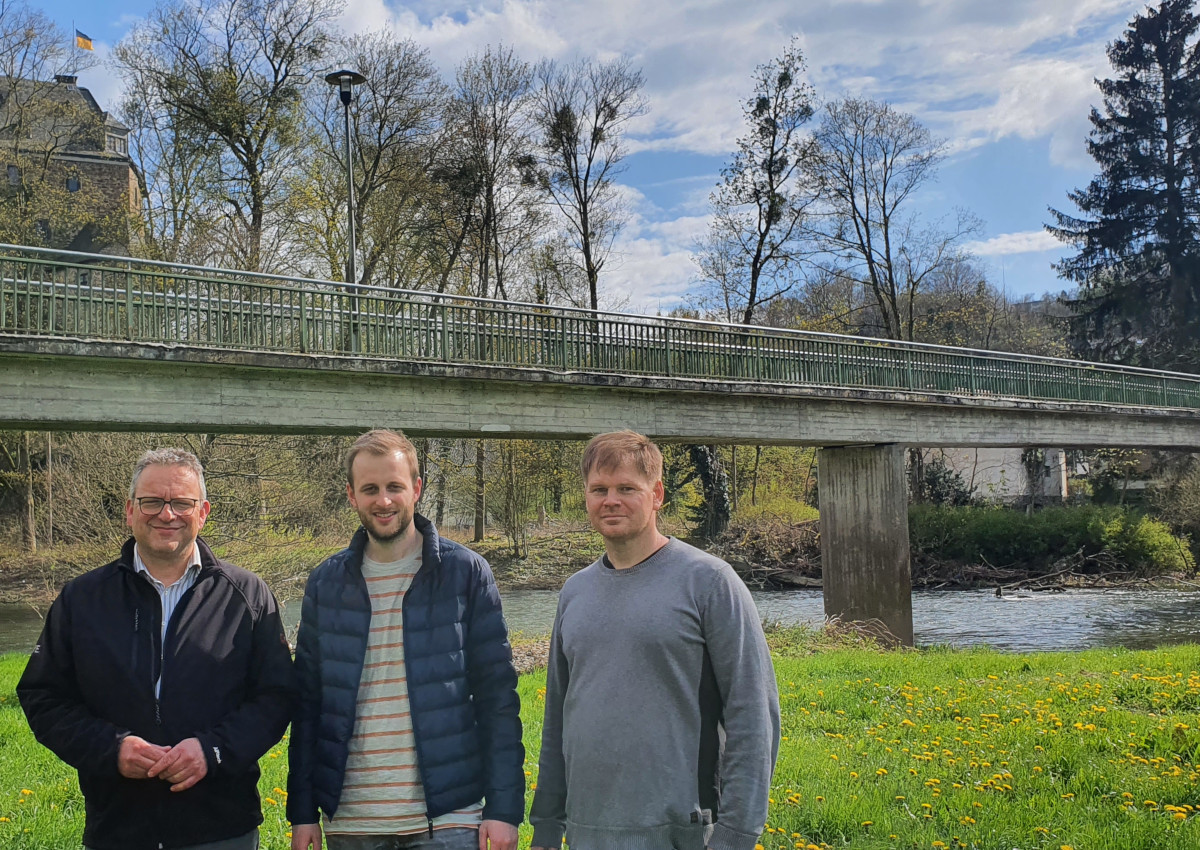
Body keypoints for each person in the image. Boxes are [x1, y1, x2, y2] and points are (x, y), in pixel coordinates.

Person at [17, 447, 295, 850]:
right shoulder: (82, 598)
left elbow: (276, 697)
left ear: (203, 512)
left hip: (222, 828)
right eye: (152, 502)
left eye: (182, 502)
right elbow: (43, 697)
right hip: (118, 828)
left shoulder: (247, 595)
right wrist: (110, 749)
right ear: (130, 510)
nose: (167, 514)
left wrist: (212, 750)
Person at [530, 430, 781, 850]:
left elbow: (754, 715)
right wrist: (547, 826)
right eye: (599, 489)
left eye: (627, 488)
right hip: (587, 831)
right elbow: (558, 718)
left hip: (682, 831)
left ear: (657, 494)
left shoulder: (710, 582)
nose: (611, 500)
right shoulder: (574, 591)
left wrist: (734, 837)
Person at [287, 429, 524, 850]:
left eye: (395, 486)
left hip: (448, 820)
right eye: (370, 489)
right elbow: (307, 705)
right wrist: (302, 813)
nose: (383, 500)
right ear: (351, 495)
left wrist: (504, 809)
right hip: (352, 824)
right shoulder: (325, 583)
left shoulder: (465, 574)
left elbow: (497, 700)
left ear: (416, 488)